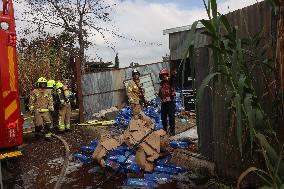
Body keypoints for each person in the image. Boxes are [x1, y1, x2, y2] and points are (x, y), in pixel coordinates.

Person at [158, 69, 176, 136]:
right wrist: (161, 99)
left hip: (170, 103)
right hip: (164, 103)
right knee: (163, 117)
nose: (164, 77)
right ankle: (165, 130)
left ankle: (172, 131)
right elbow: (159, 94)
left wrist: (173, 75)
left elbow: (172, 79)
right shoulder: (161, 84)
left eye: (165, 76)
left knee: (171, 117)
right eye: (162, 76)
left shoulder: (170, 82)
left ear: (167, 76)